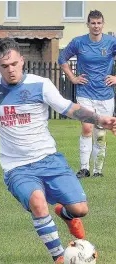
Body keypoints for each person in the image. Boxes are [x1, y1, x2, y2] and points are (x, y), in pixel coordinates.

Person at [0, 38, 116, 263]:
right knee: (38, 202)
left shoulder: (41, 84)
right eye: (4, 66)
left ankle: (65, 213)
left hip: (49, 159)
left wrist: (100, 120)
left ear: (22, 61)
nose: (10, 70)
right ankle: (59, 258)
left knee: (80, 209)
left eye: (14, 64)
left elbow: (69, 108)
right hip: (16, 167)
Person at [58, 10, 116, 178]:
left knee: (101, 131)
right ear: (88, 24)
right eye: (93, 23)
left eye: (99, 23)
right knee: (86, 127)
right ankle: (84, 168)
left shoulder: (111, 42)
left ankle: (98, 170)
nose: (96, 26)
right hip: (85, 92)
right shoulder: (78, 42)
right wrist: (73, 78)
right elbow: (62, 59)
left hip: (105, 93)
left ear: (103, 24)